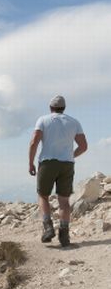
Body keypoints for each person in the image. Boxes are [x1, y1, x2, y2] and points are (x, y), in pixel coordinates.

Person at [28, 95, 87, 247]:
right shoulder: (74, 122)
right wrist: (71, 155)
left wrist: (31, 163)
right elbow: (83, 146)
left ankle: (48, 227)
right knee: (64, 201)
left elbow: (34, 142)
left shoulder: (43, 120)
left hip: (47, 163)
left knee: (43, 195)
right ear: (64, 108)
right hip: (67, 164)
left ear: (50, 108)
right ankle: (64, 235)